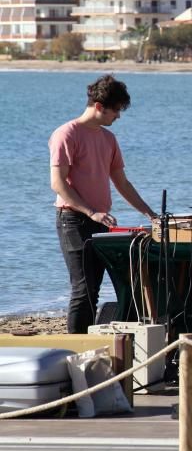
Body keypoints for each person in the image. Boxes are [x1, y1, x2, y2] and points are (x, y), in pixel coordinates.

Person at [49, 75, 158, 334]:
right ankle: (74, 349)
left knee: (101, 287)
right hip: (73, 220)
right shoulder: (66, 134)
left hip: (100, 220)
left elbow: (122, 182)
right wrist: (91, 212)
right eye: (116, 110)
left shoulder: (108, 139)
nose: (118, 116)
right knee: (84, 289)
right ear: (99, 106)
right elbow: (58, 183)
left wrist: (150, 213)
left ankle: (93, 344)